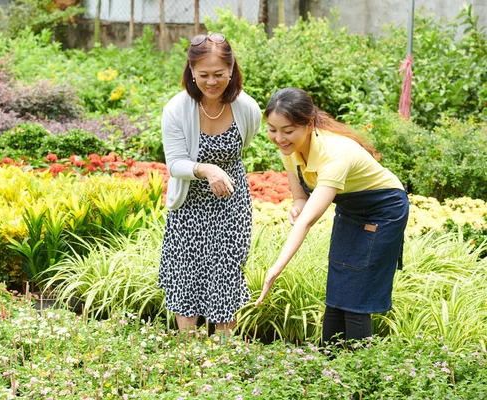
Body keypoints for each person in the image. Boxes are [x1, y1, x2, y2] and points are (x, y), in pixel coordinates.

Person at [254, 87, 409, 345]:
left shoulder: (334, 154)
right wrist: (298, 204)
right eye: (272, 129)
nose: (279, 138)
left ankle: (362, 371)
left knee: (356, 293)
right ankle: (330, 365)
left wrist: (276, 268)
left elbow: (307, 221)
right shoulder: (290, 150)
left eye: (288, 130)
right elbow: (301, 200)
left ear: (308, 124)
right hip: (351, 208)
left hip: (383, 209)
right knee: (339, 284)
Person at [158, 33, 261, 337]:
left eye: (219, 74)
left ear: (232, 70)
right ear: (191, 71)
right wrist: (206, 169)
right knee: (185, 272)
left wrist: (222, 172)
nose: (212, 81)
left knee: (226, 271)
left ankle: (225, 355)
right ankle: (188, 352)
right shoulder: (177, 109)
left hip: (231, 201)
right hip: (189, 203)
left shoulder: (246, 108)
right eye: (203, 74)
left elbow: (246, 143)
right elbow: (175, 164)